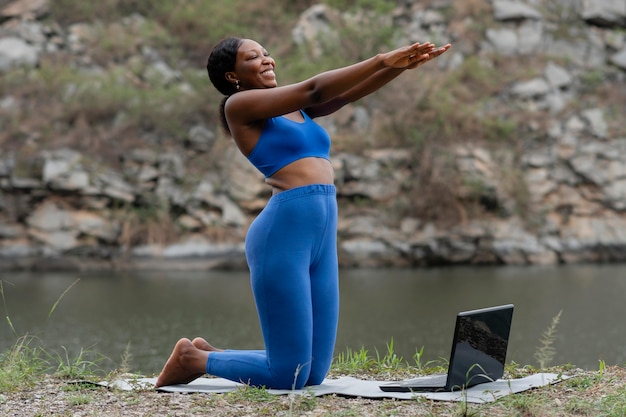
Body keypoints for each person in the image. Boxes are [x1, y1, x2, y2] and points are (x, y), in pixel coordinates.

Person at [155, 36, 451, 390]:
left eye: (267, 53)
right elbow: (314, 89)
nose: (268, 60)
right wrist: (381, 58)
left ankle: (207, 354)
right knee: (288, 376)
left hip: (322, 234)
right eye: (254, 57)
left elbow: (344, 95)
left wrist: (395, 69)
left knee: (313, 373)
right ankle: (194, 359)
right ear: (233, 76)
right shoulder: (240, 106)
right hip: (282, 235)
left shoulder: (294, 110)